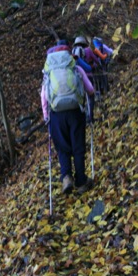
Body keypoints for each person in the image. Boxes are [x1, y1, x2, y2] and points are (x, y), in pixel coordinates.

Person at [41, 43, 95, 195]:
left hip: (56, 115)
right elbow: (90, 89)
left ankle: (66, 178)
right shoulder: (76, 69)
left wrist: (47, 117)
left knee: (63, 148)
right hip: (76, 111)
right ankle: (81, 181)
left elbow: (43, 98)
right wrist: (90, 101)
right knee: (78, 147)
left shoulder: (49, 73)